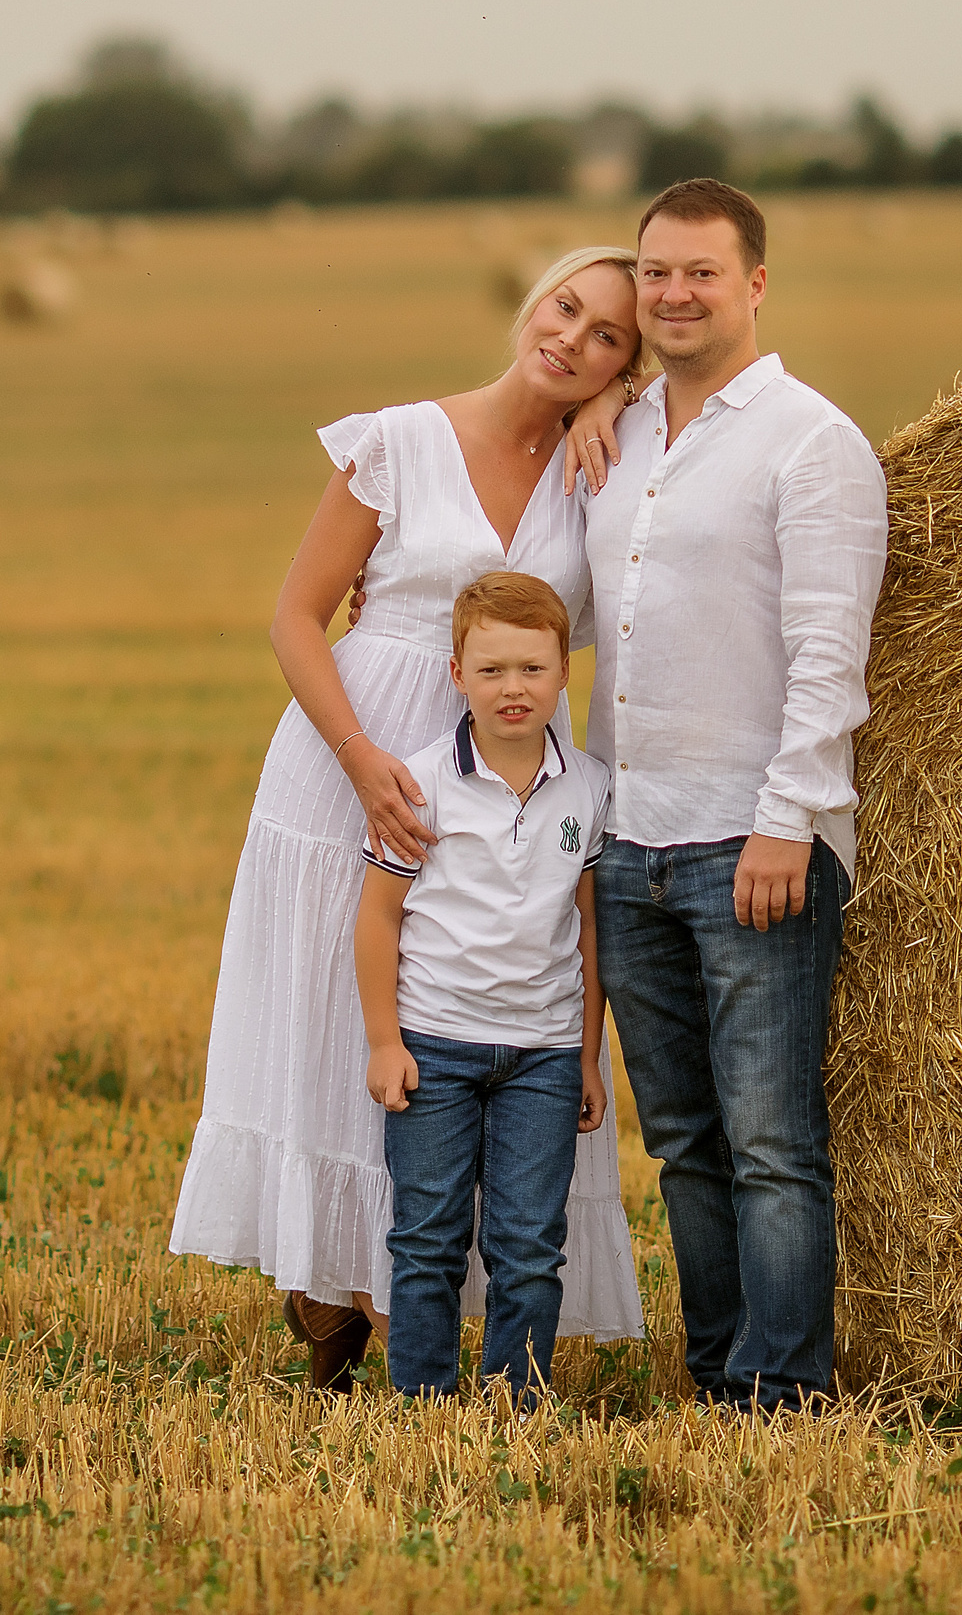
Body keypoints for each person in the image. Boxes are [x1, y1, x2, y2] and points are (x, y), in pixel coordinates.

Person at [168, 249, 649, 1391]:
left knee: (488, 997)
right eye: (566, 308)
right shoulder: (397, 440)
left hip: (519, 779)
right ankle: (333, 1300)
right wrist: (361, 760)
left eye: (609, 340)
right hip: (355, 756)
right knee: (359, 1030)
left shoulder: (613, 462)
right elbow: (294, 616)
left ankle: (453, 1316)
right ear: (533, 299)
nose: (572, 340)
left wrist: (623, 408)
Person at [567, 180, 888, 1409]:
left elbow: (827, 653)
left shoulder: (811, 442)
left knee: (770, 1147)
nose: (673, 295)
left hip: (747, 842)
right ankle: (716, 1380)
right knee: (687, 1146)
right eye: (655, 274)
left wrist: (787, 820)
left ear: (754, 284)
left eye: (701, 273)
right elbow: (592, 615)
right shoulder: (626, 433)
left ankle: (782, 1392)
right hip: (629, 839)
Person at [357, 572, 613, 1401]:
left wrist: (586, 1056)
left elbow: (590, 929)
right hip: (434, 1045)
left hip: (542, 1053)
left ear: (563, 674)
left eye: (533, 669)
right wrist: (385, 1041)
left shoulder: (589, 788)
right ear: (457, 672)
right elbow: (379, 919)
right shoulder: (420, 783)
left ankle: (517, 1402)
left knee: (530, 1242)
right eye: (493, 669)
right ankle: (422, 1405)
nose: (514, 688)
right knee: (428, 1236)